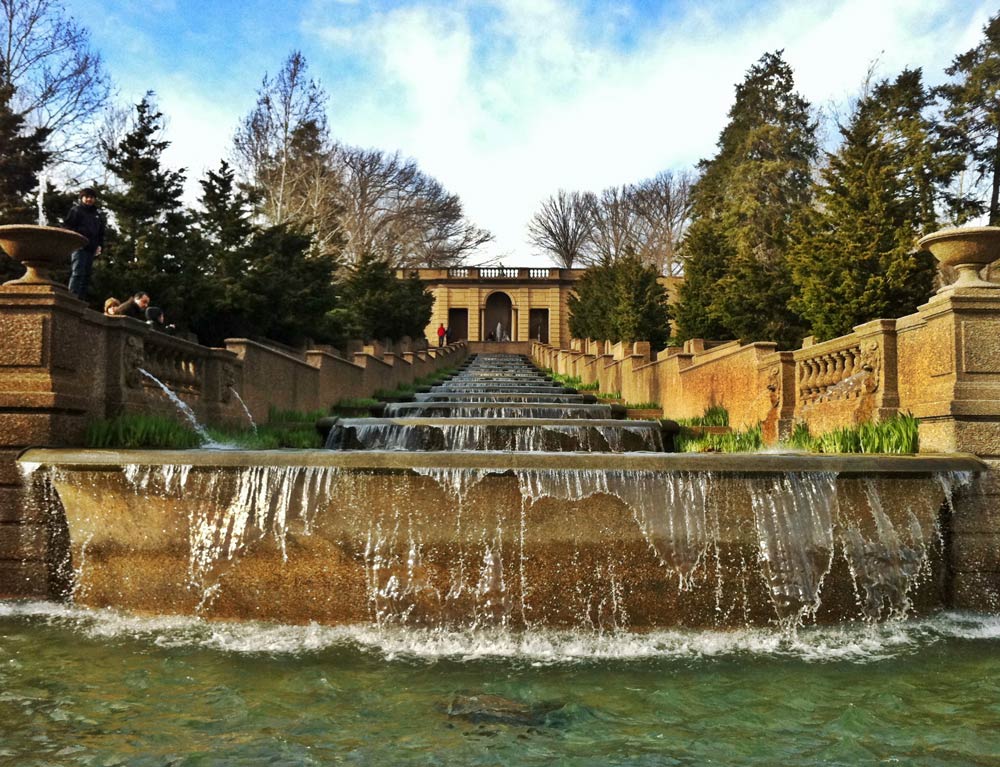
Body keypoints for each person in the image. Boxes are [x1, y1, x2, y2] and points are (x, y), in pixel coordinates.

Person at [64, 188, 106, 301]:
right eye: (87, 197)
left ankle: (80, 300)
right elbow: (68, 226)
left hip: (91, 248)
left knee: (86, 275)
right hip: (79, 246)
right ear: (81, 198)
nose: (89, 199)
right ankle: (71, 297)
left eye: (91, 197)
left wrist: (100, 245)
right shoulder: (76, 210)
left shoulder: (97, 215)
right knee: (78, 272)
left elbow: (101, 233)